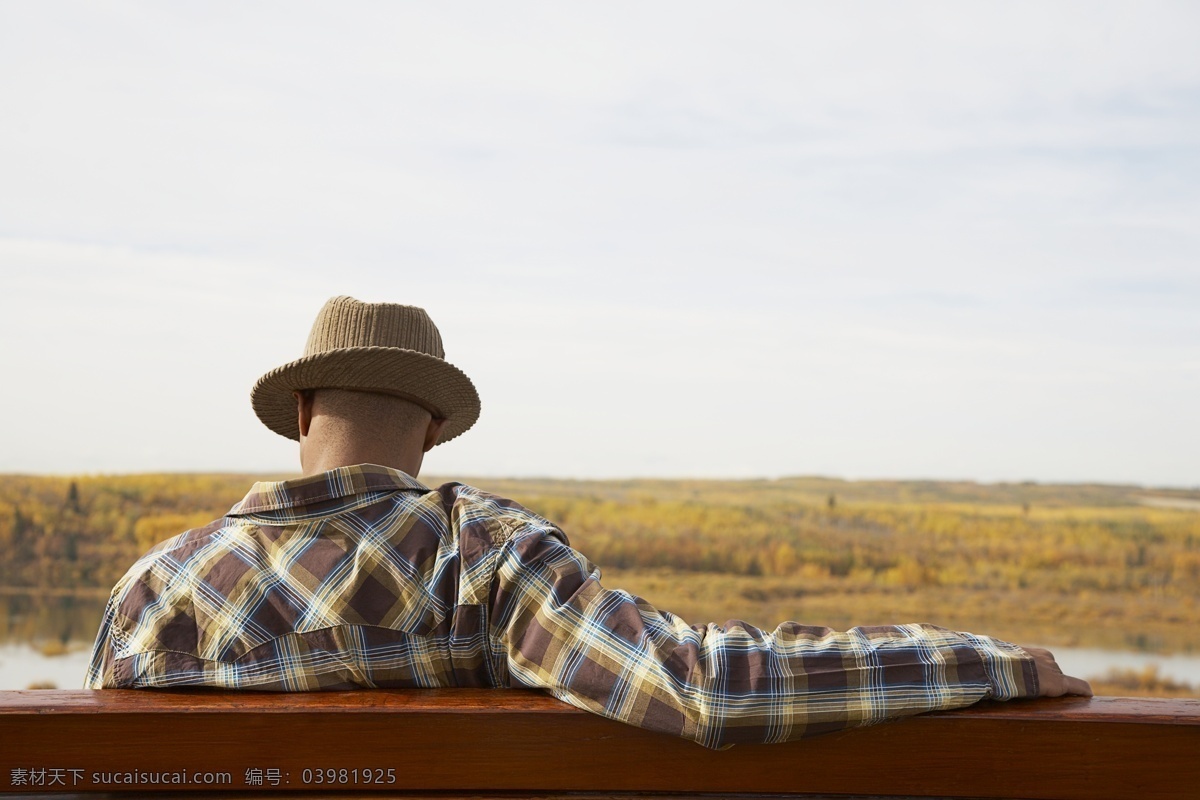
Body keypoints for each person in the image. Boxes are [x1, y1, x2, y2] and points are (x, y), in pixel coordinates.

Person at [85, 295, 1090, 748]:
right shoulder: (485, 554)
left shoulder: (148, 592)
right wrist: (988, 663)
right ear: (431, 429)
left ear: (301, 415)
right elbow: (703, 690)